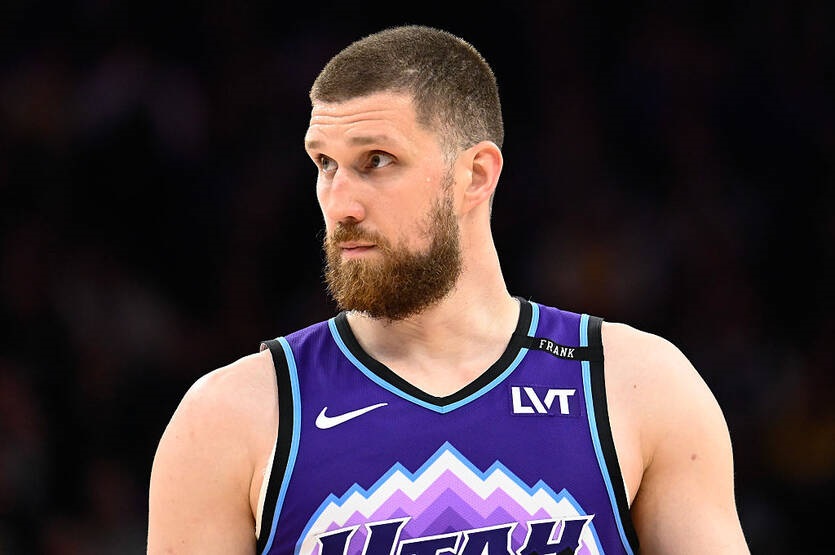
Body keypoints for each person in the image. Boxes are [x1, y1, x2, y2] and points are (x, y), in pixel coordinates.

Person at [147, 25, 749, 554]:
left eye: (376, 160)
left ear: (476, 174)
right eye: (325, 164)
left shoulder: (634, 385)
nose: (340, 203)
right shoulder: (232, 417)